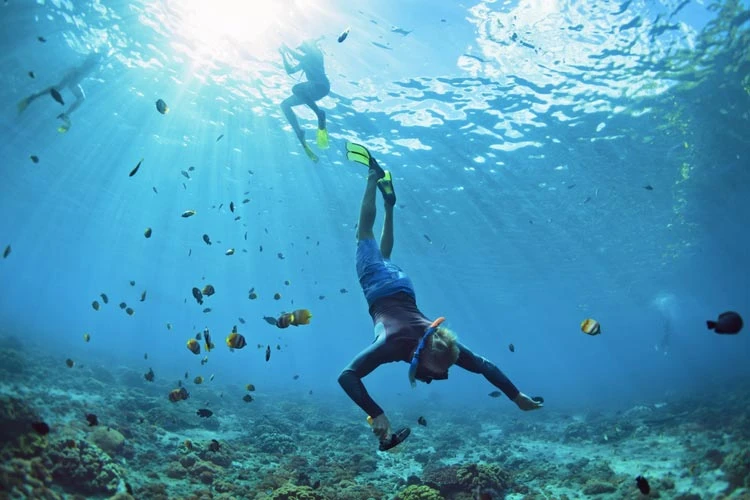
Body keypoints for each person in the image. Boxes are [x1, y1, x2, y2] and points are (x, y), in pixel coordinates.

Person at [338, 142, 544, 448]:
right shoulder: (393, 344)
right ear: (426, 356)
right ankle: (372, 175)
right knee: (364, 235)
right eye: (438, 372)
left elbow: (485, 366)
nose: (439, 377)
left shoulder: (443, 347)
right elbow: (347, 377)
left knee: (385, 255)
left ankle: (390, 205)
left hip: (403, 286)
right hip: (380, 288)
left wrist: (518, 397)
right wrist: (376, 413)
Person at [18, 50, 105, 133]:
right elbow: (85, 65)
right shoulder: (95, 59)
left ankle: (66, 115)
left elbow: (93, 72)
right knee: (60, 88)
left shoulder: (97, 62)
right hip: (74, 74)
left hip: (75, 79)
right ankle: (34, 97)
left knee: (79, 97)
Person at [279, 40, 330, 162]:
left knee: (296, 89)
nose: (302, 50)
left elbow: (298, 56)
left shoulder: (316, 54)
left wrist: (287, 48)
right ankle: (298, 130)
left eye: (303, 48)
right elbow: (290, 70)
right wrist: (283, 55)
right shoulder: (304, 60)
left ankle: (318, 112)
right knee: (284, 104)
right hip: (311, 91)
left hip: (320, 86)